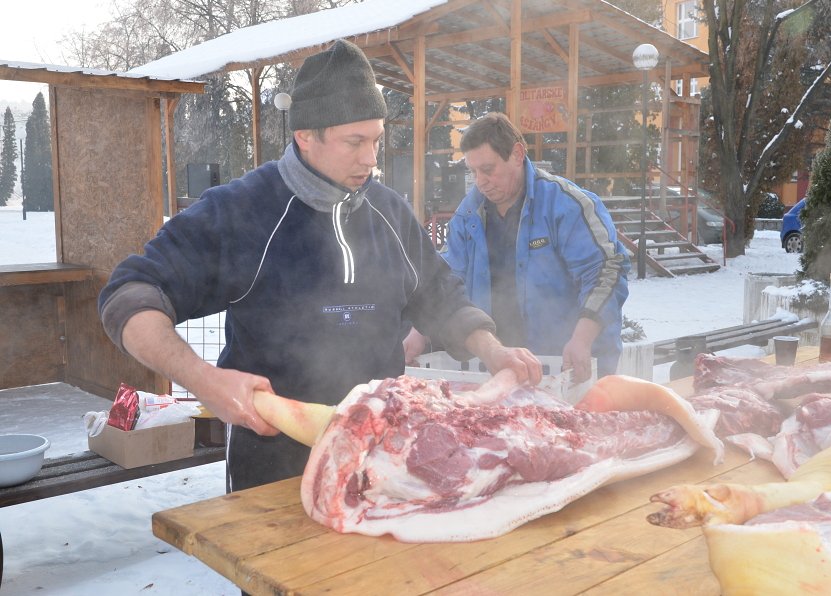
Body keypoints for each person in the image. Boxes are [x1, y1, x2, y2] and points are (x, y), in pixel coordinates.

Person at [98, 40, 542, 493]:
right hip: (272, 469)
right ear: (306, 136)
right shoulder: (243, 211)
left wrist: (493, 350)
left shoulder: (390, 213)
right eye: (355, 142)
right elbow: (129, 295)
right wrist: (206, 381)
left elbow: (440, 298)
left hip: (383, 461)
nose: (371, 158)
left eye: (376, 140)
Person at [405, 112, 629, 382]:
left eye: (488, 169)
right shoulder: (467, 216)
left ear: (517, 154)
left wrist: (582, 338)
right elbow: (445, 283)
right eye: (473, 171)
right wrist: (420, 332)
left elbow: (606, 272)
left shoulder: (567, 206)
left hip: (567, 367)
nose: (480, 181)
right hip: (495, 368)